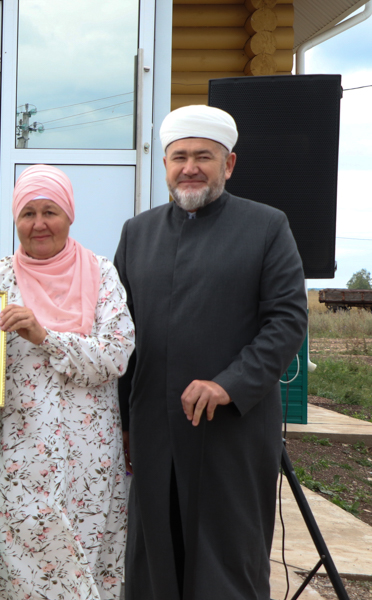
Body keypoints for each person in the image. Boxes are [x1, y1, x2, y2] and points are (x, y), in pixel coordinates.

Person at [114, 105, 308, 600]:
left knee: (226, 562)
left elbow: (287, 320)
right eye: (179, 157)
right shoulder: (137, 233)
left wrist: (228, 384)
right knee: (156, 558)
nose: (190, 168)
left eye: (203, 156)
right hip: (155, 431)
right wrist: (125, 423)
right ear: (165, 164)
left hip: (232, 432)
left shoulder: (267, 226)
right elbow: (119, 334)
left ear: (229, 163)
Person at [0, 165, 135, 600]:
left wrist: (44, 336)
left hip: (89, 461)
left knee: (84, 566)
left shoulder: (101, 273)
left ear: (69, 215)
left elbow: (117, 353)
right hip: (17, 456)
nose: (39, 224)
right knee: (17, 571)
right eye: (27, 213)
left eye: (50, 212)